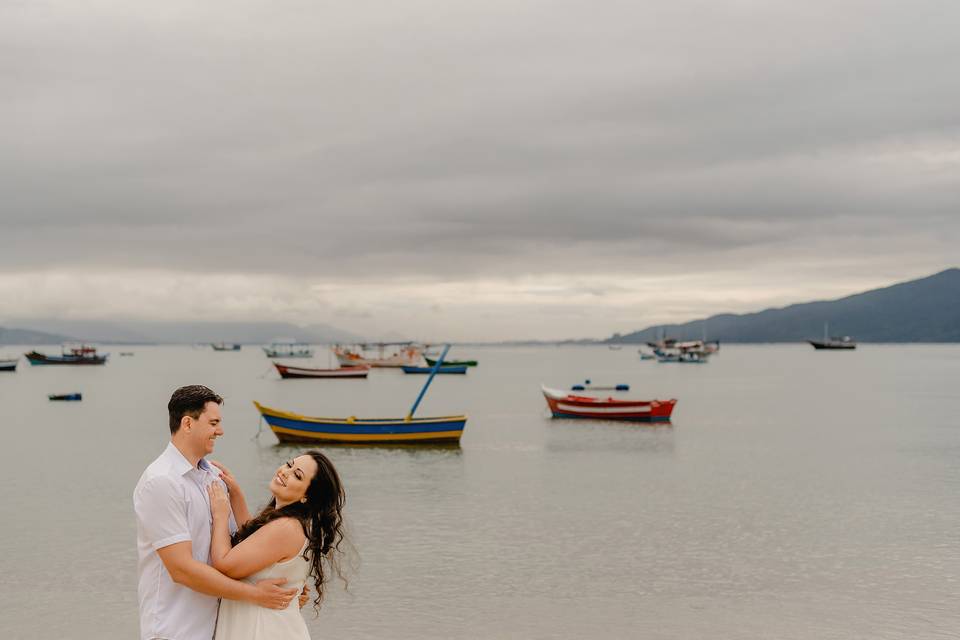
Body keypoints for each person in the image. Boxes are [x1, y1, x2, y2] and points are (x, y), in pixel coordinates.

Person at [134, 385, 300, 640]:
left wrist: (288, 586)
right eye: (213, 423)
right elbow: (182, 570)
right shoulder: (161, 482)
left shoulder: (214, 476)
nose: (220, 431)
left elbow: (238, 550)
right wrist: (257, 594)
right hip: (176, 630)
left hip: (222, 628)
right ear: (188, 424)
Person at [208, 450, 346, 639]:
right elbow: (252, 545)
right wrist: (236, 495)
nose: (285, 472)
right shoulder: (294, 523)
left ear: (308, 496)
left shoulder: (287, 527)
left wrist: (220, 515)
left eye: (297, 476)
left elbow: (224, 564)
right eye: (289, 464)